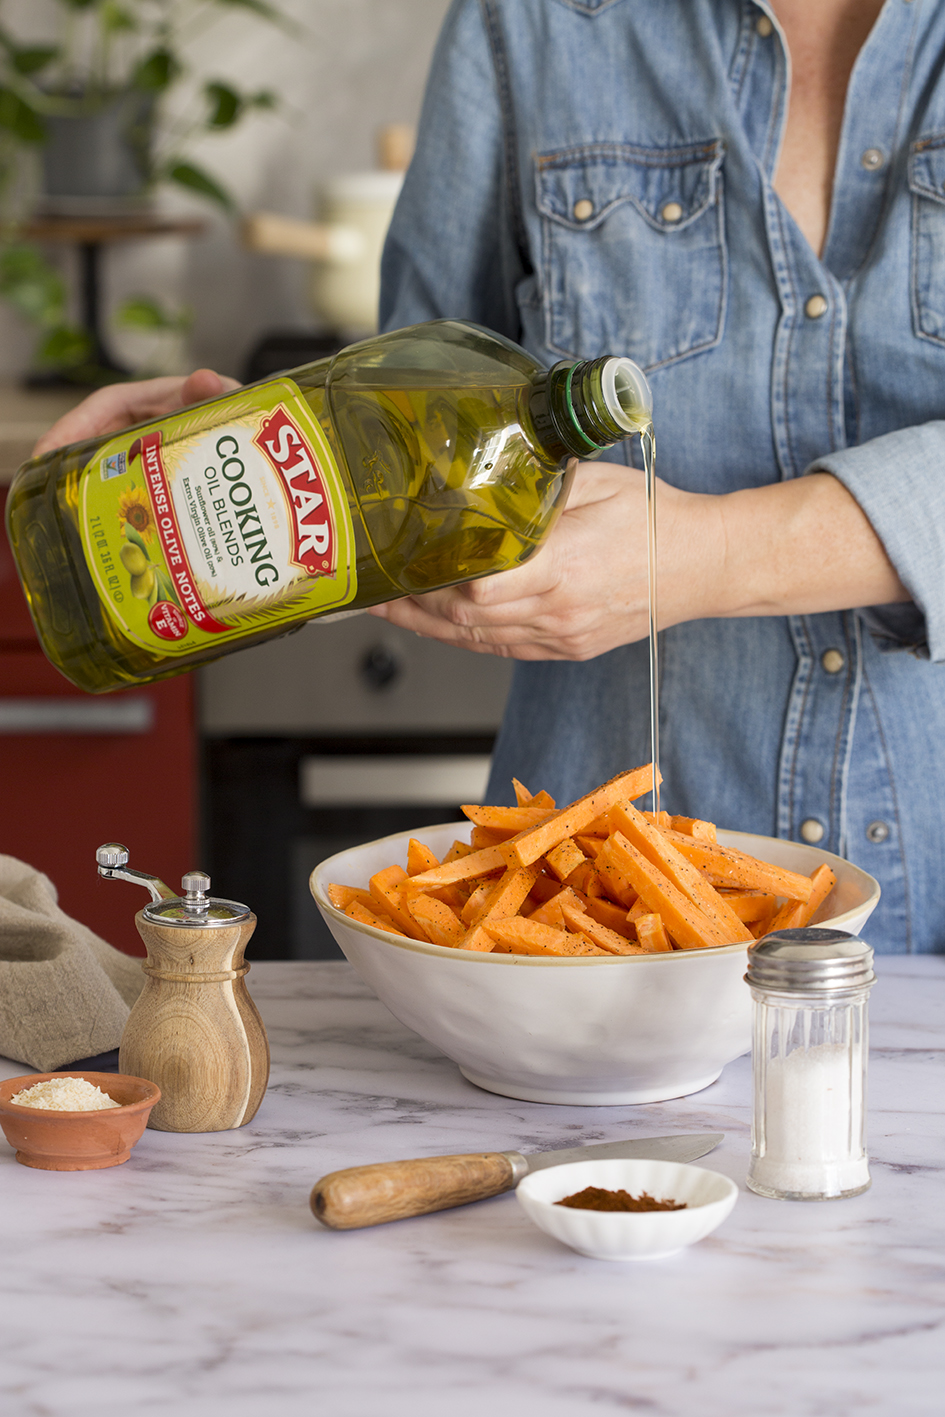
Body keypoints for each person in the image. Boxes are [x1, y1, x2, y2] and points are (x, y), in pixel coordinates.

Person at [36, 0, 945, 953]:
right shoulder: (531, 22)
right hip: (586, 921)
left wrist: (704, 555)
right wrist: (212, 480)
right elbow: (406, 448)